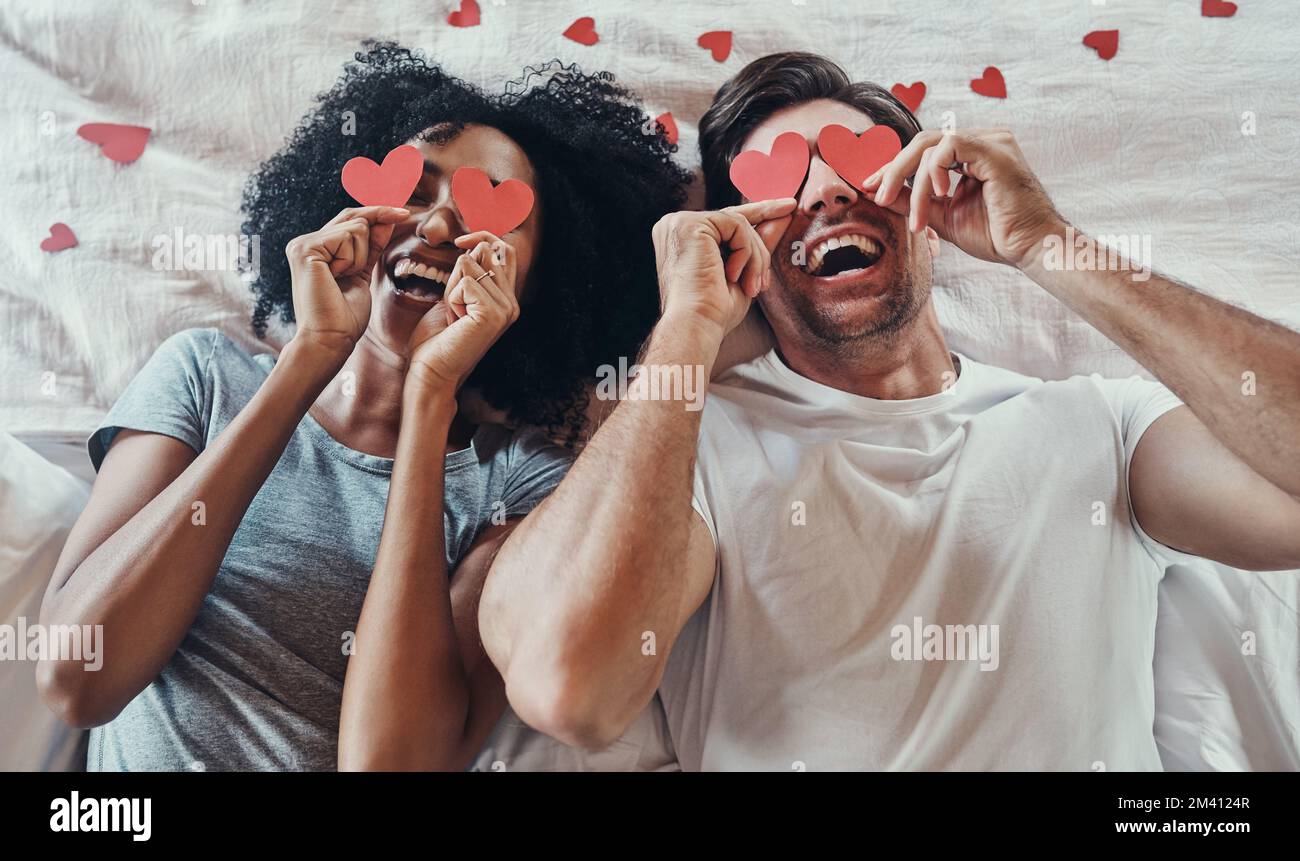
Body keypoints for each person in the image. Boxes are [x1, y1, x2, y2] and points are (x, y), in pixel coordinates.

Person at [480, 52, 1300, 770]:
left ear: (929, 220)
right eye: (780, 182)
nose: (829, 192)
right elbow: (568, 689)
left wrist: (1047, 243)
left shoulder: (1103, 428)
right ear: (744, 251)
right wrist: (687, 328)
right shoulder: (692, 447)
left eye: (860, 164)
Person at [35, 43, 689, 772]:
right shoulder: (203, 376)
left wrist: (430, 398)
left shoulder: (521, 488)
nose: (437, 228)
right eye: (413, 191)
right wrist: (309, 356)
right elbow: (75, 679)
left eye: (484, 209)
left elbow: (390, 765)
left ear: (538, 286)